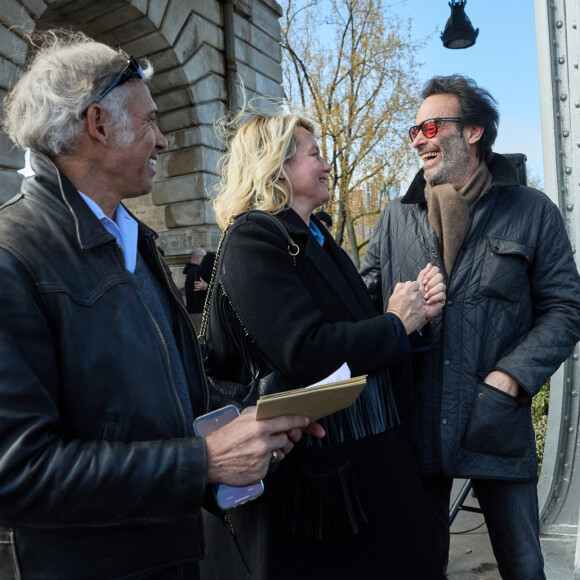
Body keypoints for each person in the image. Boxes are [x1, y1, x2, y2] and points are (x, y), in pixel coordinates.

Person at [0, 30, 323, 580]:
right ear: (98, 124)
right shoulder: (14, 255)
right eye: (150, 121)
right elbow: (18, 473)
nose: (164, 140)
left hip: (170, 556)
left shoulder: (135, 241)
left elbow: (160, 404)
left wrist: (250, 419)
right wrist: (204, 461)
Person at [200, 110, 447, 580]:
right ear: (276, 168)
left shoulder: (316, 237)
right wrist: (395, 324)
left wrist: (410, 318)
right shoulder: (253, 238)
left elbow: (354, 334)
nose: (328, 165)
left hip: (366, 460)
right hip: (320, 485)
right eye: (315, 155)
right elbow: (305, 349)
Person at [360, 74, 580, 580]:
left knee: (524, 566)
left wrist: (511, 379)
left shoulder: (531, 211)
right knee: (418, 565)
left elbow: (566, 308)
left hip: (495, 421)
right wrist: (392, 314)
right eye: (413, 129)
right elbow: (359, 303)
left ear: (475, 131)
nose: (418, 138)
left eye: (431, 125)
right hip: (415, 423)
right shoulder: (396, 218)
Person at [183, 246, 206, 329]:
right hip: (199, 314)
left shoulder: (190, 271)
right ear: (197, 258)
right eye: (204, 257)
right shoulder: (197, 271)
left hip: (192, 313)